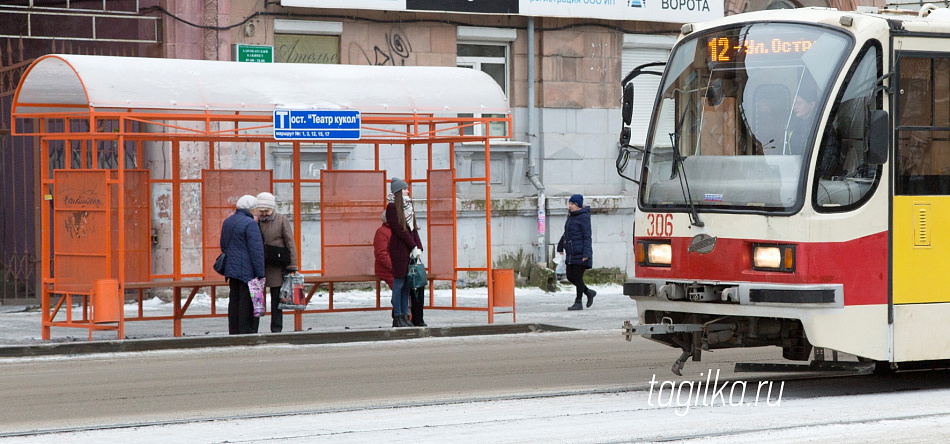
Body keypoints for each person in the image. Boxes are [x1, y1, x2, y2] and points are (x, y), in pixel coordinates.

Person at [220, 194, 265, 334]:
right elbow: (256, 250)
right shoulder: (251, 224)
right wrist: (261, 273)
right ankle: (246, 331)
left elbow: (223, 245)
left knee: (234, 300)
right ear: (251, 209)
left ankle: (234, 330)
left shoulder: (228, 222)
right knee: (247, 302)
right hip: (247, 271)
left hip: (231, 269)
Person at [256, 192, 298, 333]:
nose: (264, 214)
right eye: (261, 211)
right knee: (256, 300)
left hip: (276, 266)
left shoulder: (281, 220)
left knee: (276, 300)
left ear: (272, 208)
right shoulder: (256, 221)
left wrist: (292, 265)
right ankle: (253, 328)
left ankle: (276, 329)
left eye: (266, 211)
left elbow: (290, 243)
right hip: (260, 266)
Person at [386, 177, 423, 328]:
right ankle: (398, 315)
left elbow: (413, 228)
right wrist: (413, 245)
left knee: (407, 285)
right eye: (405, 189)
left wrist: (418, 247)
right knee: (399, 283)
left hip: (409, 250)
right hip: (399, 250)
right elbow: (400, 230)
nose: (408, 191)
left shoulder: (408, 206)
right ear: (398, 192)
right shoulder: (392, 208)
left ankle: (405, 315)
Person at [557, 194, 595, 311]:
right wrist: (560, 246)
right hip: (571, 252)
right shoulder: (571, 216)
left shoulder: (584, 217)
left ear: (578, 205)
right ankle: (588, 292)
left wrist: (586, 254)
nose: (570, 206)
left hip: (580, 252)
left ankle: (578, 302)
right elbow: (566, 233)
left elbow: (587, 236)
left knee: (578, 277)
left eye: (572, 204)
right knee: (570, 276)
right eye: (569, 203)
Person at [784, 85, 819, 156]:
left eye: (799, 103)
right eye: (794, 104)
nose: (795, 107)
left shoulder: (820, 124)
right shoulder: (791, 125)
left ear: (812, 105)